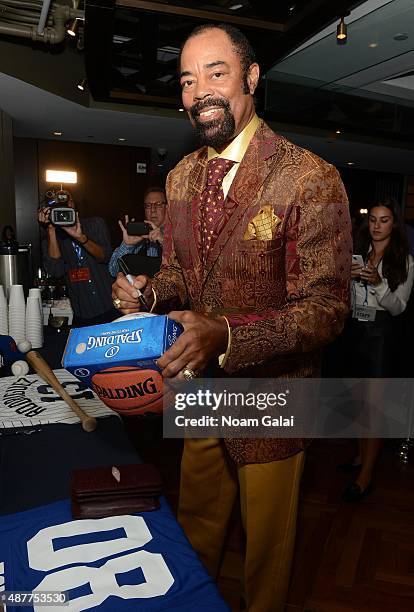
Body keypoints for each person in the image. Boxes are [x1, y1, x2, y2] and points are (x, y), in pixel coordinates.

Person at [112, 23, 351, 612]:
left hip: (274, 396)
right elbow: (180, 276)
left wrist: (226, 334)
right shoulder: (180, 177)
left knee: (268, 553)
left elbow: (327, 311)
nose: (200, 91)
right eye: (188, 80)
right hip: (198, 388)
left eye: (216, 73)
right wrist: (146, 292)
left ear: (251, 78)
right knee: (197, 522)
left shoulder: (310, 177)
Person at [341, 199, 414, 502]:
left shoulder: (405, 261)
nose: (376, 225)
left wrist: (379, 282)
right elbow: (349, 297)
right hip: (355, 331)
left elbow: (399, 307)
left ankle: (366, 476)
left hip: (381, 336)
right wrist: (348, 278)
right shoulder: (359, 255)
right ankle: (361, 458)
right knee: (358, 402)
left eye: (384, 220)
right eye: (372, 219)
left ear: (394, 224)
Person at [39, 190, 115, 326]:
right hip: (83, 314)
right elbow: (56, 271)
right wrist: (50, 228)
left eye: (68, 201)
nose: (65, 206)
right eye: (59, 205)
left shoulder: (95, 224)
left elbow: (105, 256)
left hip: (111, 306)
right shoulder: (51, 240)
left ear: (74, 204)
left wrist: (81, 237)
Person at [108, 186, 166, 277]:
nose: (152, 210)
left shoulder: (179, 234)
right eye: (148, 206)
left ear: (168, 207)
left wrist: (164, 242)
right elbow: (113, 271)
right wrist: (127, 245)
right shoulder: (140, 236)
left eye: (158, 204)